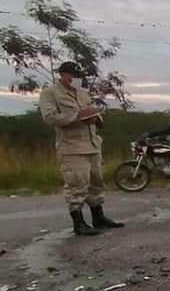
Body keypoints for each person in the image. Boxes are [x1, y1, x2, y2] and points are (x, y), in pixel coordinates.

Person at [39, 61, 123, 236]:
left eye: (79, 76)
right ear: (62, 74)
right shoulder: (50, 93)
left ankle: (98, 217)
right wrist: (77, 117)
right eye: (73, 76)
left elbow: (93, 112)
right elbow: (50, 118)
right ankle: (79, 223)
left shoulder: (83, 93)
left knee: (96, 182)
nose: (76, 79)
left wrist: (97, 118)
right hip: (71, 148)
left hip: (92, 144)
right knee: (77, 183)